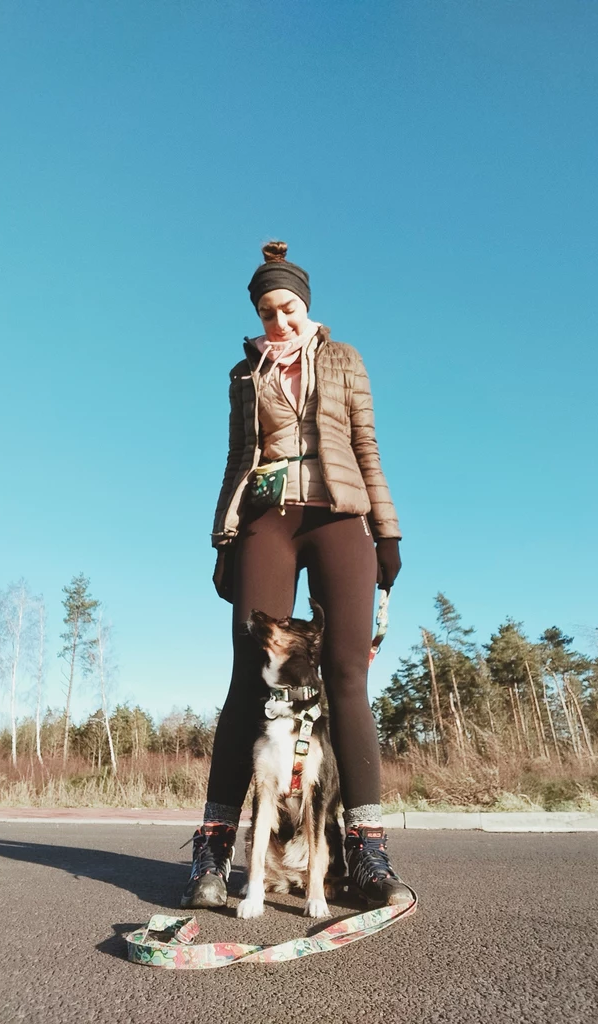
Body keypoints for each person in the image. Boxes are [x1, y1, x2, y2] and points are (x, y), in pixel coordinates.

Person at [181, 240, 411, 908]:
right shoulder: (242, 374)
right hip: (267, 520)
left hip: (340, 516)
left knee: (346, 676)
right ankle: (212, 855)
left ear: (305, 305)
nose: (276, 322)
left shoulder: (344, 360)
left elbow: (366, 445)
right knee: (249, 676)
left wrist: (387, 532)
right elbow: (236, 459)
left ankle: (366, 854)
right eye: (265, 311)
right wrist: (225, 539)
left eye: (285, 308)